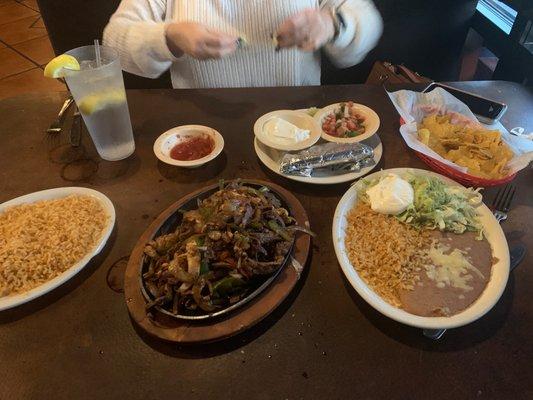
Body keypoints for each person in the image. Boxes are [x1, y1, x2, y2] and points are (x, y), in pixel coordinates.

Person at [103, 0, 383, 88]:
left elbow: (367, 20)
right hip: (204, 129)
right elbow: (115, 40)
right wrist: (170, 36)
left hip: (299, 123)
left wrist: (332, 24)